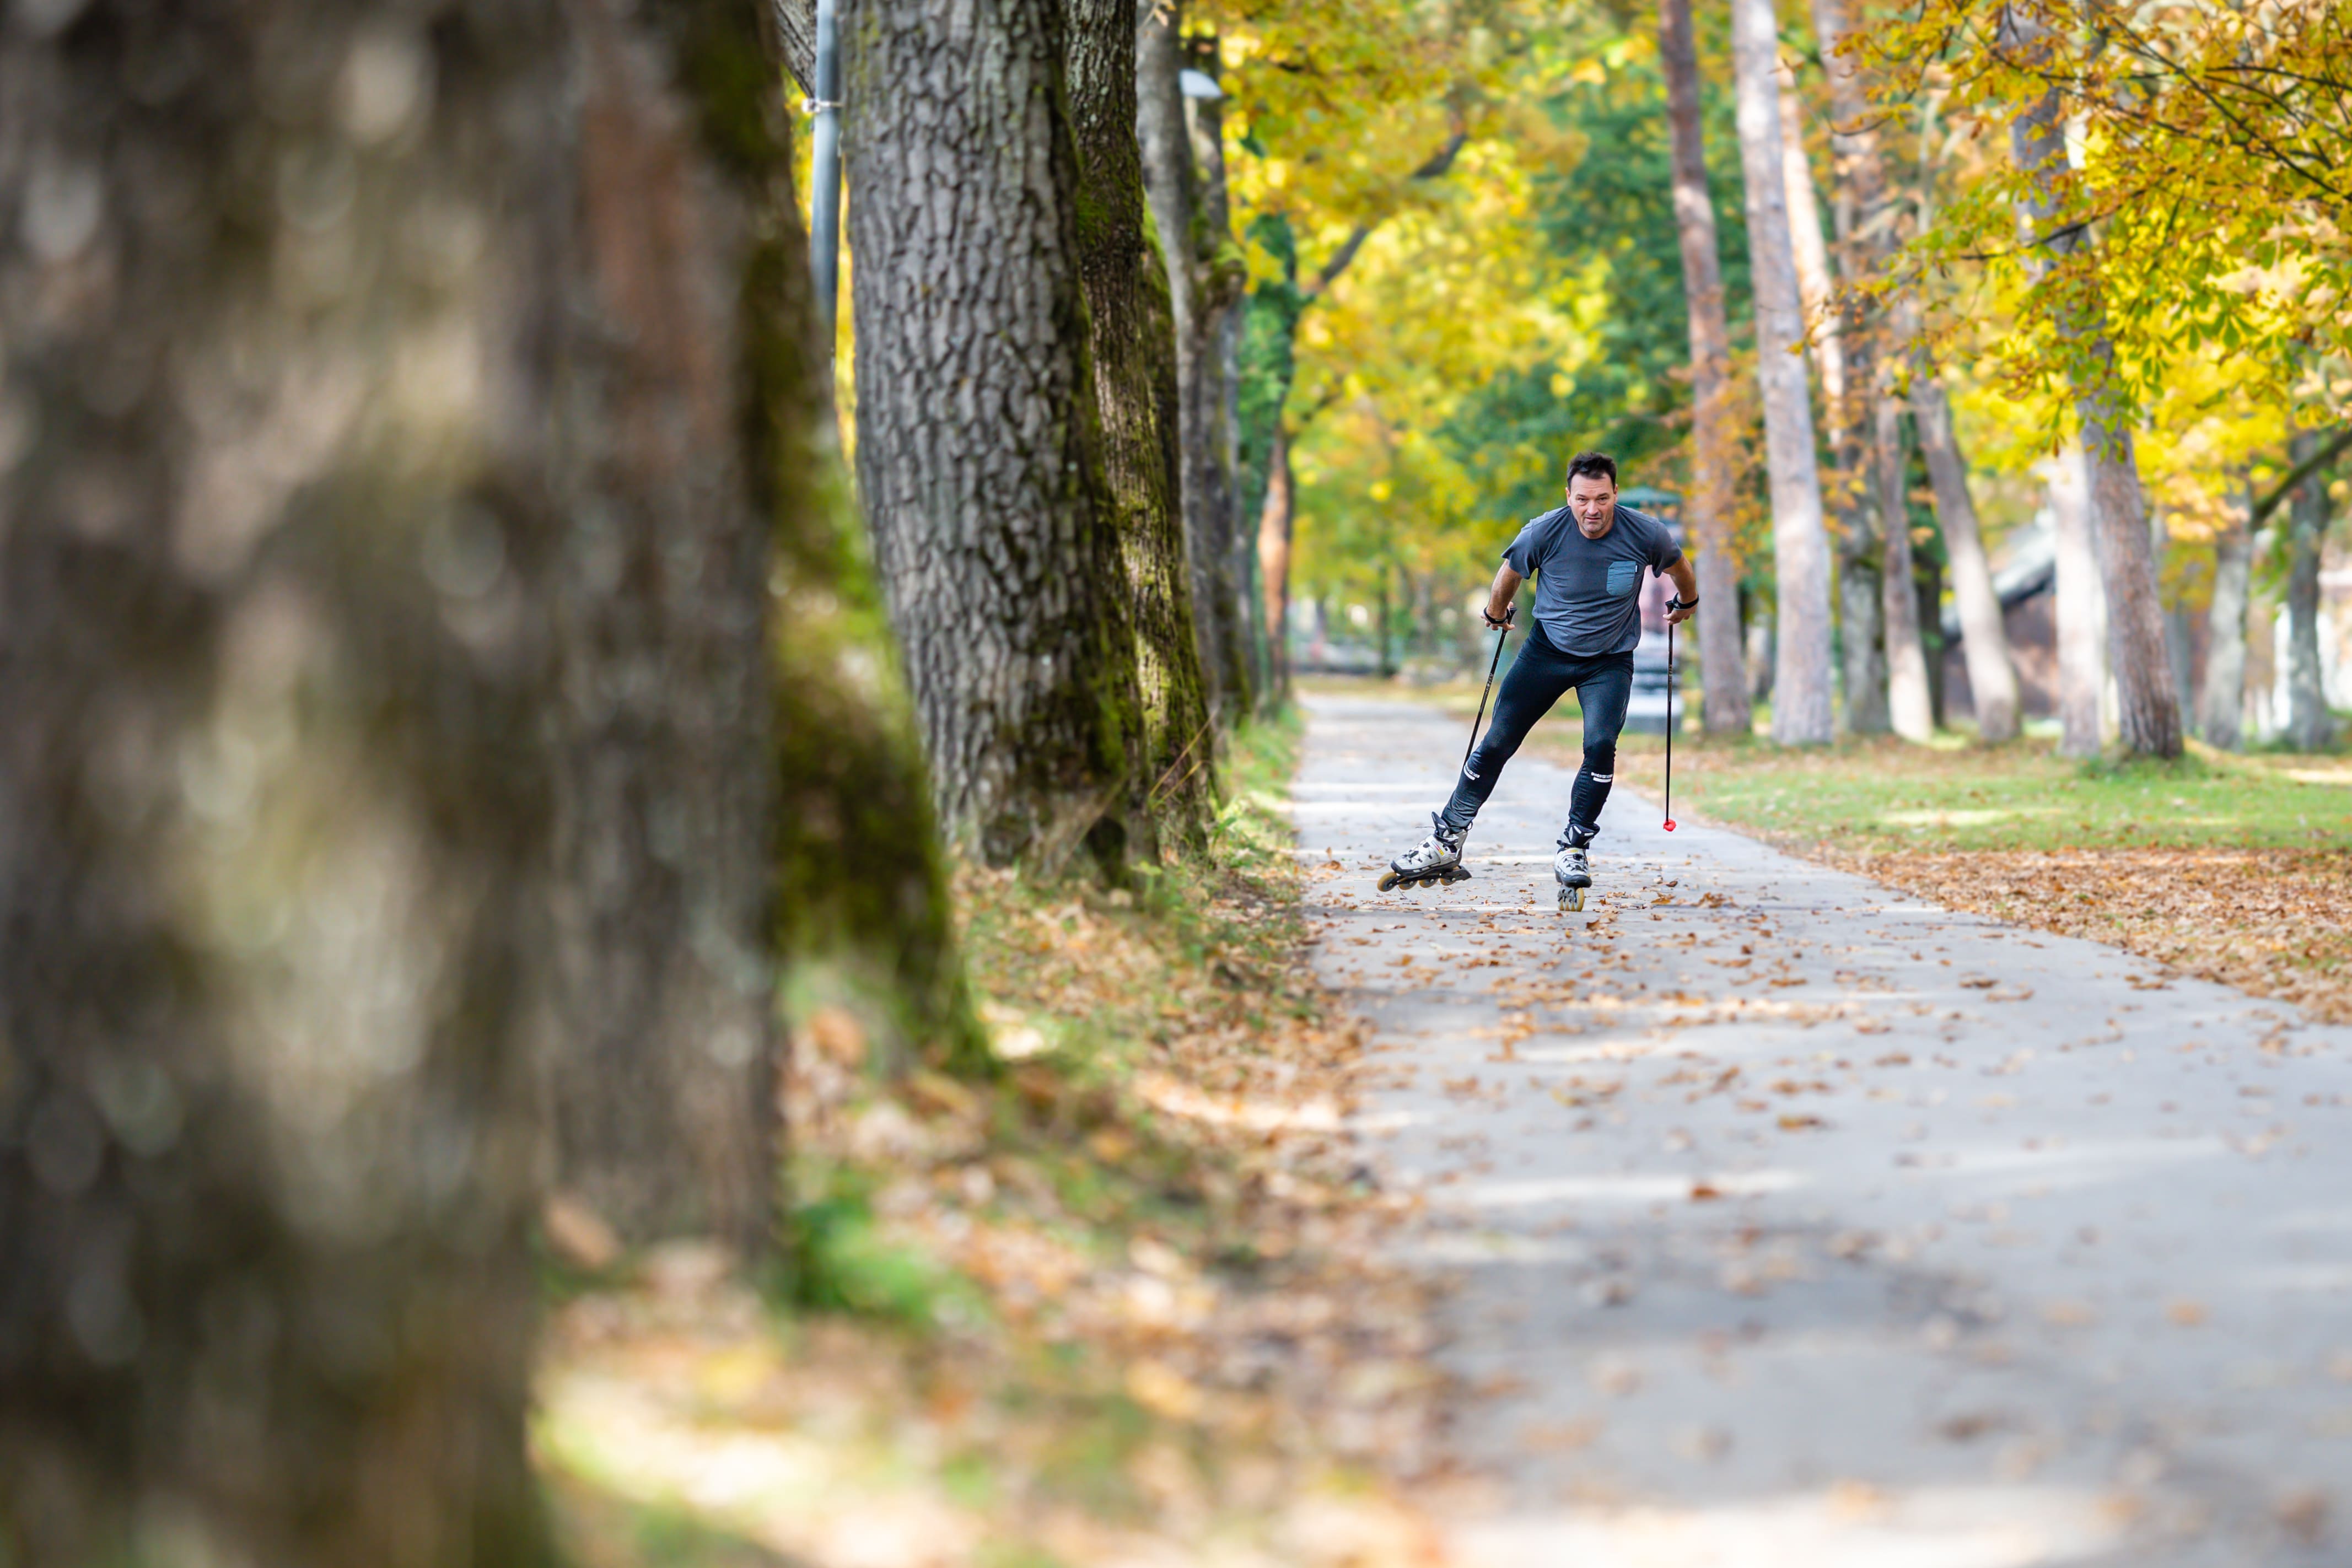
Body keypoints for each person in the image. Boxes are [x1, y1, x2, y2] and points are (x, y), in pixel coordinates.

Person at [1386, 450, 1699, 901]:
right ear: (1567, 496)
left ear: (1615, 495)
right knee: (1497, 742)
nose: (1592, 509)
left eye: (1601, 498)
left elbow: (1679, 567)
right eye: (1582, 499)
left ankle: (1573, 845)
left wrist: (1686, 603)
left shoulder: (1645, 532)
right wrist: (1496, 613)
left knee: (1600, 745)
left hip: (1609, 660)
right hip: (1546, 652)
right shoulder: (1543, 530)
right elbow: (1508, 574)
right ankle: (1446, 839)